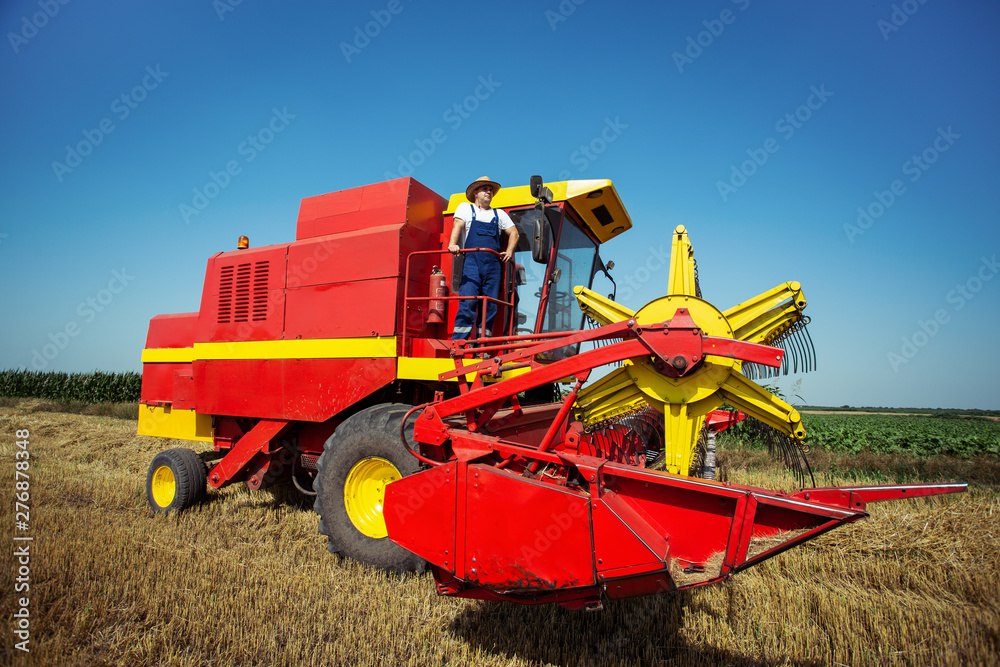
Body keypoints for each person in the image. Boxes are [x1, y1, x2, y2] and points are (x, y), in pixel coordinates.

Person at [449, 176, 519, 340]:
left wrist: (509, 251)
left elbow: (514, 233)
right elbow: (457, 226)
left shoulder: (499, 214)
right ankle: (458, 344)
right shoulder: (465, 208)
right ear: (475, 192)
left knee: (490, 305)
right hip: (472, 262)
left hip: (494, 266)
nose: (489, 192)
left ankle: (483, 344)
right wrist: (452, 244)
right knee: (468, 301)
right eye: (485, 189)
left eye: (490, 189)